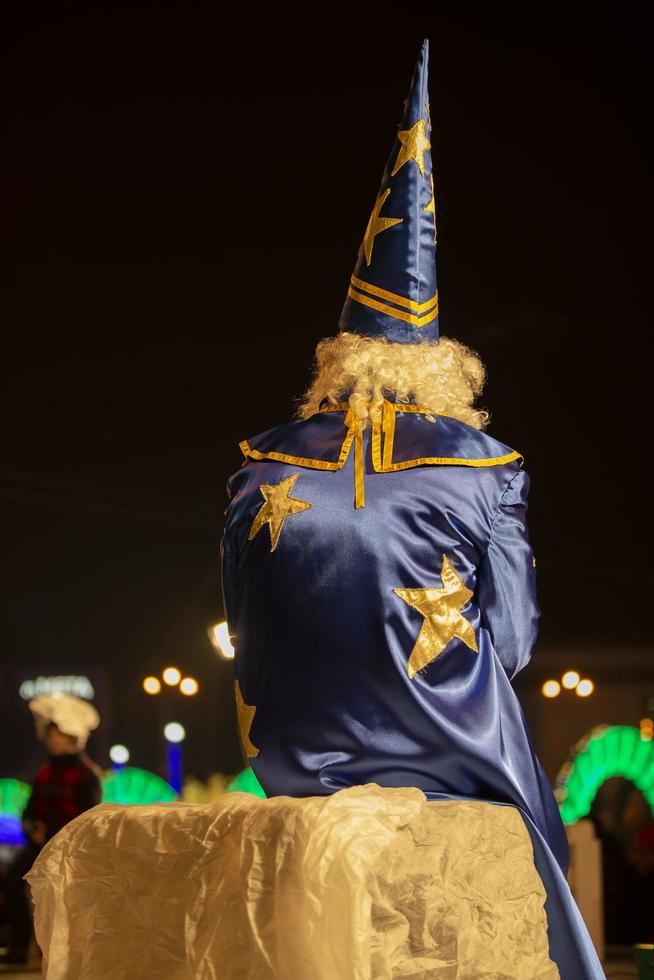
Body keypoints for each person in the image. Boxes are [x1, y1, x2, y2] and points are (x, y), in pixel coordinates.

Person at [222, 39, 605, 979]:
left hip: (299, 772)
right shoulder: (487, 466)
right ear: (446, 365)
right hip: (455, 771)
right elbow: (510, 644)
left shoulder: (255, 467)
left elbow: (249, 641)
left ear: (334, 360)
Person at [0, 693, 101, 967]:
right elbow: (29, 810)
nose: (52, 739)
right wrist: (30, 828)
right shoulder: (44, 772)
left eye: (58, 734)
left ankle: (61, 954)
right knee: (11, 881)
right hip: (39, 846)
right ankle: (20, 948)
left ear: (72, 737)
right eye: (50, 734)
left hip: (72, 852)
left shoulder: (86, 774)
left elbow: (90, 817)